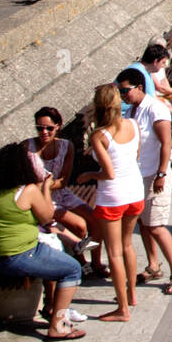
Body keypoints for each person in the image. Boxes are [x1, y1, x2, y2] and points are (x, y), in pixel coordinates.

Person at [0, 142, 86, 340]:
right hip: (19, 255)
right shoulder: (27, 190)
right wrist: (47, 187)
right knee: (72, 269)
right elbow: (48, 217)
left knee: (52, 250)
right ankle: (58, 324)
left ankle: (50, 306)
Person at [76, 83, 144, 322]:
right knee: (128, 245)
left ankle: (122, 309)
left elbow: (109, 173)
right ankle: (132, 294)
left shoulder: (99, 135)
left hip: (113, 196)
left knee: (114, 253)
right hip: (135, 192)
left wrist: (89, 176)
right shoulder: (133, 125)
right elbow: (135, 155)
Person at [116, 69, 172, 296]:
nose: (123, 95)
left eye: (125, 90)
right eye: (120, 91)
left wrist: (162, 174)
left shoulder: (155, 109)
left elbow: (166, 144)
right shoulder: (134, 110)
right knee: (144, 224)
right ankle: (153, 265)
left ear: (139, 87)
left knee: (156, 225)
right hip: (139, 175)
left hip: (156, 176)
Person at [23, 106, 103, 280]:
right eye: (39, 128)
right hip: (41, 200)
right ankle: (81, 262)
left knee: (96, 219)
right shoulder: (27, 148)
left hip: (61, 193)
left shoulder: (65, 146)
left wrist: (44, 184)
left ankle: (96, 262)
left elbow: (63, 181)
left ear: (58, 126)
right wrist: (45, 186)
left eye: (49, 128)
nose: (44, 132)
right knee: (80, 226)